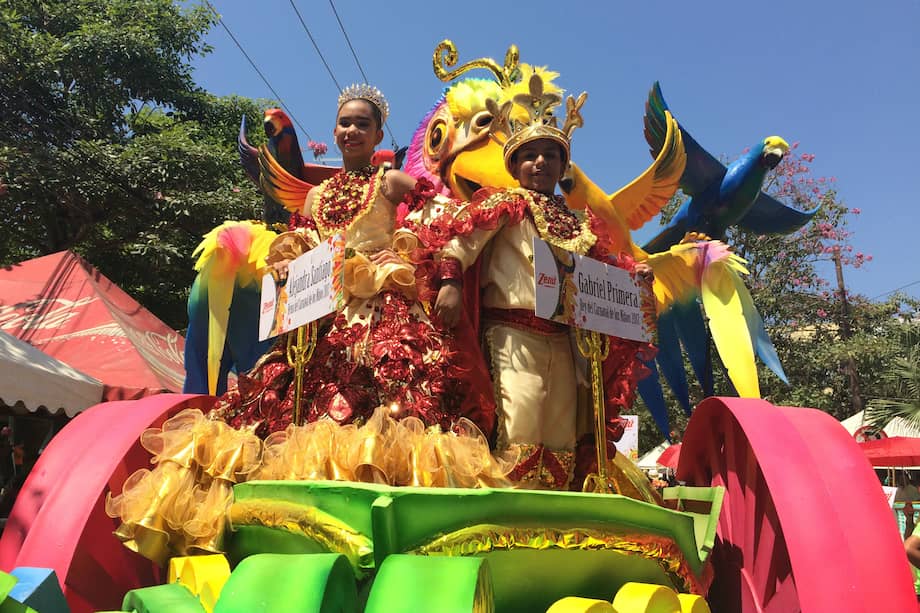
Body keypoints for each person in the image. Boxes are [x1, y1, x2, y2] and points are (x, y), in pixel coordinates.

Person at [107, 84, 505, 565]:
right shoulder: (315, 195)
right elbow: (300, 242)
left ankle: (382, 537)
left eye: (362, 123)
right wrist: (281, 265)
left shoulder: (390, 182)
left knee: (389, 410)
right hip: (318, 317)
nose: (351, 130)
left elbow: (442, 217)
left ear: (379, 132)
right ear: (334, 132)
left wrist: (432, 266)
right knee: (279, 408)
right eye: (344, 122)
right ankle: (291, 532)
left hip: (379, 308)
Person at [433, 74, 655, 490]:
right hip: (512, 336)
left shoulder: (579, 224)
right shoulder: (504, 204)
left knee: (562, 434)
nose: (540, 163)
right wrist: (451, 283)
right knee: (520, 424)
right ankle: (512, 519)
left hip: (567, 342)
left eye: (549, 156)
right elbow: (460, 243)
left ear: (562, 166)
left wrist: (634, 280)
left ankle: (552, 521)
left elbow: (601, 277)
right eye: (529, 156)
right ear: (514, 166)